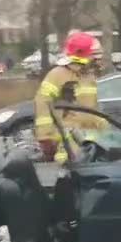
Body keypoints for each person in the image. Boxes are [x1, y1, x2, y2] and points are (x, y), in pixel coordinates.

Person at [34, 31, 98, 163]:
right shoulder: (57, 75)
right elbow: (42, 103)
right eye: (92, 52)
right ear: (83, 54)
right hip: (68, 146)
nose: (95, 55)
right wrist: (45, 137)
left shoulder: (89, 76)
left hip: (91, 144)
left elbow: (94, 110)